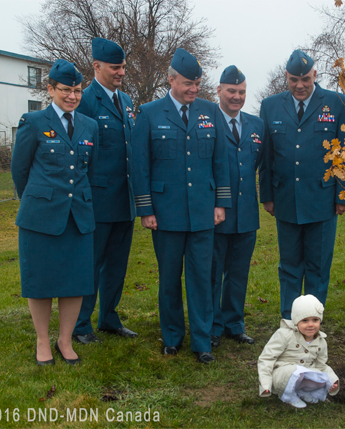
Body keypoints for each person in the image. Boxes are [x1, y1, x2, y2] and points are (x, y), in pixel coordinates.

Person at [132, 48, 231, 364]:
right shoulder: (149, 113)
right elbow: (140, 166)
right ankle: (172, 337)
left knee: (202, 279)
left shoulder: (210, 112)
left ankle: (202, 342)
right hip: (166, 213)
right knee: (170, 279)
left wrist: (221, 203)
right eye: (188, 83)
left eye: (197, 83)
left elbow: (221, 160)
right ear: (171, 79)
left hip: (203, 211)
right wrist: (146, 209)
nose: (193, 89)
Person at [11, 59, 99, 365]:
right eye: (65, 90)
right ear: (50, 89)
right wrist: (40, 200)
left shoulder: (90, 126)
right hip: (41, 217)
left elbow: (90, 168)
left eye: (77, 90)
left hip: (78, 216)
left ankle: (64, 340)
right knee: (41, 282)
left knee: (75, 281)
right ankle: (41, 341)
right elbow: (20, 170)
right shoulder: (32, 122)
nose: (72, 96)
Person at [259, 49, 345, 319]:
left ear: (315, 74)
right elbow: (266, 155)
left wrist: (344, 195)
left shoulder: (338, 103)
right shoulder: (270, 106)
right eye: (293, 80)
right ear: (286, 77)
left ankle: (312, 321)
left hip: (322, 200)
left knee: (317, 267)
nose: (300, 85)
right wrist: (267, 194)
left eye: (305, 79)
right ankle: (290, 322)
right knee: (289, 266)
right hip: (286, 199)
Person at [72, 37, 137, 344]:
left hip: (125, 200)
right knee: (90, 264)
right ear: (96, 66)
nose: (121, 72)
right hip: (97, 200)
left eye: (123, 66)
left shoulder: (125, 102)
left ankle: (109, 317)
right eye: (115, 67)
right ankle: (80, 324)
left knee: (117, 264)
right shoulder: (84, 101)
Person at [209, 66, 264, 348]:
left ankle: (234, 323)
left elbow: (261, 165)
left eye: (241, 92)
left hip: (246, 214)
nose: (236, 97)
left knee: (239, 273)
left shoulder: (256, 125)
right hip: (218, 213)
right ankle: (212, 325)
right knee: (213, 272)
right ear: (219, 91)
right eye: (231, 91)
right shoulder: (207, 121)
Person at [258, 295, 339, 408]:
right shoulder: (284, 334)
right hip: (283, 376)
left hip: (303, 375)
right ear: (296, 322)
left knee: (323, 378)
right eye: (305, 320)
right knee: (297, 372)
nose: (310, 324)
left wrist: (332, 380)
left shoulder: (321, 342)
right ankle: (288, 395)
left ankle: (303, 392)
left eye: (315, 320)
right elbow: (267, 358)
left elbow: (321, 365)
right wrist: (266, 384)